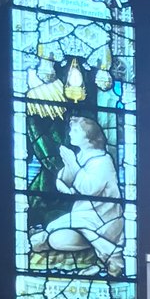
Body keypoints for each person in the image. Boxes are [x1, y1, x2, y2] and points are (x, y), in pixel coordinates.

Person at [29, 115, 125, 275]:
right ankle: (42, 239)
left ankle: (106, 255)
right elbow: (65, 183)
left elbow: (89, 189)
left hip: (103, 221)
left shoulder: (103, 160)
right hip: (84, 218)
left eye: (75, 130)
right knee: (56, 236)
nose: (70, 133)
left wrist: (73, 165)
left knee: (55, 237)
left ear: (88, 136)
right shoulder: (80, 156)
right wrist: (68, 169)